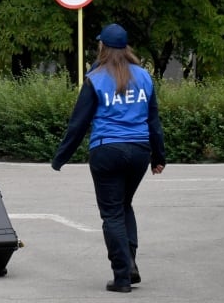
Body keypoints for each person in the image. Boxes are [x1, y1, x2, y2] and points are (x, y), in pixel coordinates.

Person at [52, 24, 166, 293]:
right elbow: (154, 122)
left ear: (102, 46)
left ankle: (122, 276)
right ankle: (131, 264)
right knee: (124, 205)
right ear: (127, 48)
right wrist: (158, 156)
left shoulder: (96, 78)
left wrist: (61, 157)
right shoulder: (144, 77)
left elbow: (78, 123)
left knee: (112, 213)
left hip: (106, 150)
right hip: (139, 150)